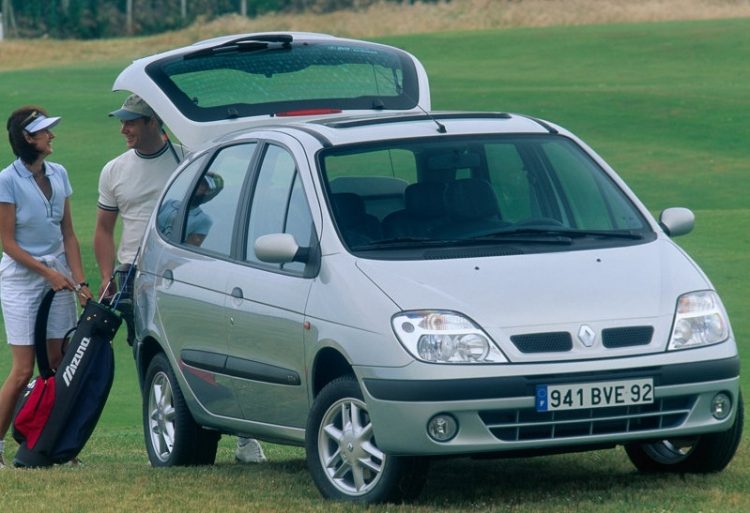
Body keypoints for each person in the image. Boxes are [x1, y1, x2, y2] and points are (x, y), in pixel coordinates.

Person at [95, 94, 265, 464]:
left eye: (131, 122)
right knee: (151, 356)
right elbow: (104, 229)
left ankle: (244, 437)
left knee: (211, 350)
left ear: (153, 122)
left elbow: (219, 214)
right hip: (134, 275)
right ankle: (167, 440)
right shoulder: (114, 170)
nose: (124, 129)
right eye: (123, 121)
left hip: (188, 271)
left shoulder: (189, 161)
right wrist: (107, 276)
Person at [0, 106, 93, 469]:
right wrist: (48, 274)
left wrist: (80, 281)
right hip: (22, 281)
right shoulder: (7, 180)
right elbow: (8, 244)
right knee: (24, 370)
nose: (52, 135)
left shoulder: (60, 173)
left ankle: (54, 447)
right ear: (27, 138)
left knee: (58, 364)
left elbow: (68, 234)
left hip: (59, 277)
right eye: (44, 132)